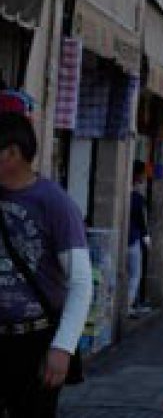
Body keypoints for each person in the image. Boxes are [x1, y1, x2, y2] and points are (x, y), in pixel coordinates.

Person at [0, 112, 93, 416]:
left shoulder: (55, 204)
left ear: (12, 153)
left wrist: (62, 347)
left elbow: (80, 282)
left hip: (34, 341)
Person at [126, 163, 151, 318]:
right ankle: (128, 305)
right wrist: (147, 238)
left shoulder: (128, 194)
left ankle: (133, 302)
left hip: (126, 239)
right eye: (143, 174)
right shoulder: (137, 197)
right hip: (133, 239)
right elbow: (143, 220)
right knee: (135, 274)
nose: (145, 177)